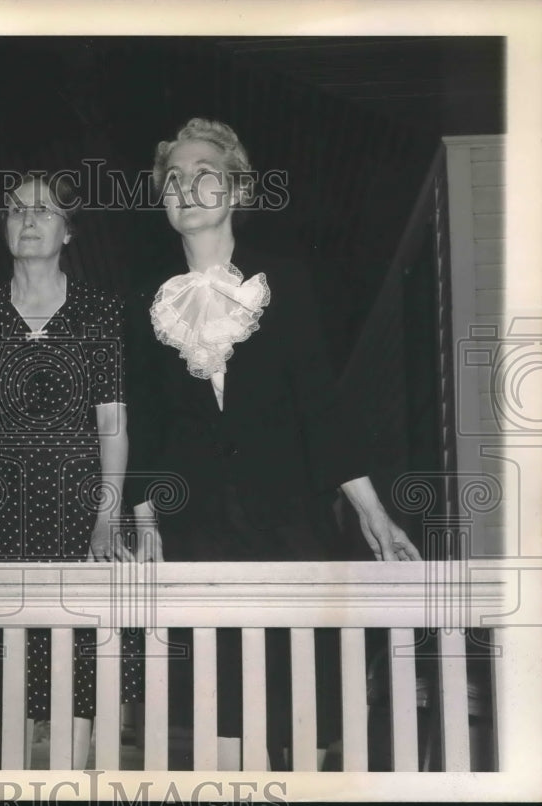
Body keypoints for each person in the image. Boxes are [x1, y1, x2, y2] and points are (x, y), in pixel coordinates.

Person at [126, 119, 421, 769]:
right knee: (220, 719)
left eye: (204, 174)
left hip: (288, 526)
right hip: (197, 535)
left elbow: (321, 408)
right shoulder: (146, 302)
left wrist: (373, 513)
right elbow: (142, 422)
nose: (186, 188)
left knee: (302, 708)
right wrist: (144, 518)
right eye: (173, 179)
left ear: (236, 189)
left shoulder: (285, 281)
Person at [0, 172, 137, 769]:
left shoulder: (98, 312)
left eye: (43, 211)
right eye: (15, 210)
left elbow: (112, 422)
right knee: (5, 664)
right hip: (5, 513)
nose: (27, 220)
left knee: (79, 665)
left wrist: (108, 518)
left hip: (81, 510)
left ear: (68, 231)